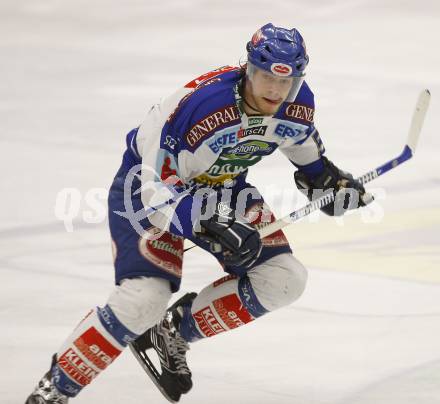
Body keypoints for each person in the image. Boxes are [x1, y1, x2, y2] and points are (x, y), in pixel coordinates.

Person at [26, 23, 372, 403]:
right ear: (248, 69)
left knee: (284, 279)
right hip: (145, 190)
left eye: (285, 82)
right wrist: (205, 220)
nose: (275, 91)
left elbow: (303, 145)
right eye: (264, 78)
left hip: (222, 189)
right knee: (144, 299)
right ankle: (54, 390)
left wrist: (325, 180)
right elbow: (154, 187)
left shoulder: (298, 102)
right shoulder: (198, 106)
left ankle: (172, 332)